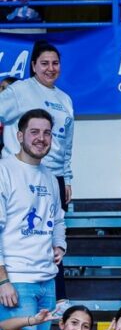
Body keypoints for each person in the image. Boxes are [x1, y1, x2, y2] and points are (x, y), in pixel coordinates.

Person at [0, 108, 67, 330]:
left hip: (45, 280)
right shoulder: (4, 169)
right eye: (34, 132)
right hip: (17, 281)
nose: (41, 138)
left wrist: (60, 245)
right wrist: (3, 279)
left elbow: (58, 220)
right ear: (20, 134)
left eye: (46, 133)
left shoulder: (51, 177)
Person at [0, 42, 73, 207]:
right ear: (34, 66)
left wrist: (66, 178)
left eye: (55, 63)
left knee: (54, 230)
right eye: (44, 63)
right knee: (19, 229)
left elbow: (66, 146)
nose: (50, 68)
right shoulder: (19, 90)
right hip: (21, 175)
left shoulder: (65, 100)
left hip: (55, 177)